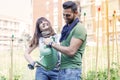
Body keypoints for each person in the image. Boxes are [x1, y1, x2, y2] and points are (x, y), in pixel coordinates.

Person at [44, 1, 87, 80]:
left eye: (68, 15)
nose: (65, 17)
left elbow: (71, 51)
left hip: (72, 71)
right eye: (63, 14)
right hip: (63, 69)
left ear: (76, 13)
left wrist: (52, 43)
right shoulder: (66, 29)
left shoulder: (79, 28)